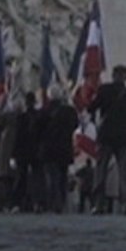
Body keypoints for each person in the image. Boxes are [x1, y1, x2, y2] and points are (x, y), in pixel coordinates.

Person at [89, 64, 126, 215]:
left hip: (106, 135)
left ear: (113, 76)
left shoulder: (104, 90)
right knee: (125, 173)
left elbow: (91, 108)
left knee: (101, 171)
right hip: (124, 136)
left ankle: (99, 205)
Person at [36, 83, 79, 213]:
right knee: (62, 177)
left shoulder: (44, 111)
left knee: (52, 177)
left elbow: (36, 129)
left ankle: (54, 203)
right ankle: (61, 203)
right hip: (64, 148)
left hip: (48, 149)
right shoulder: (69, 111)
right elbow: (75, 125)